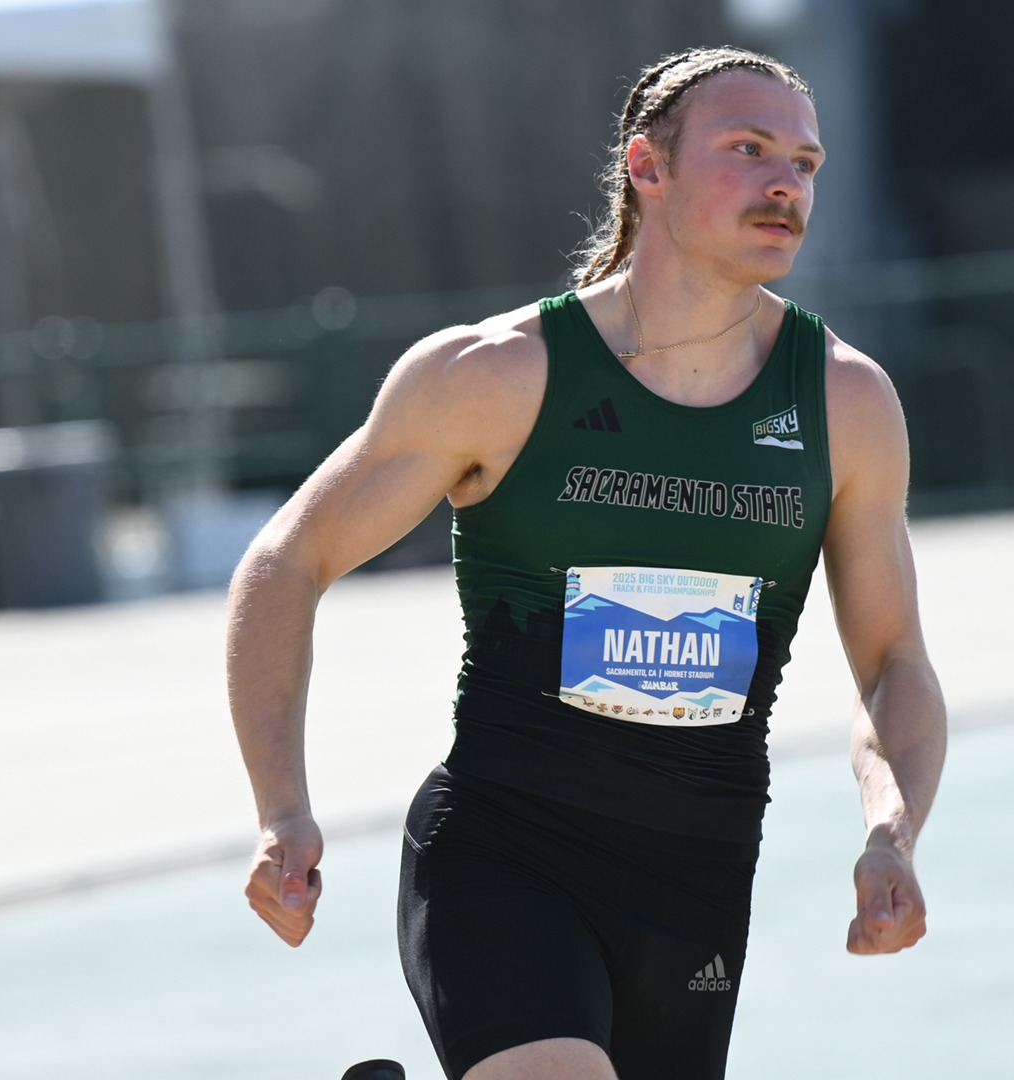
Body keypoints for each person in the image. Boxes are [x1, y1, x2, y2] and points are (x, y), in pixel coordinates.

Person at [229, 47, 945, 1080]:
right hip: (506, 856)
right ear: (647, 167)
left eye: (804, 162)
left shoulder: (846, 402)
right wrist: (282, 809)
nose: (785, 182)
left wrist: (891, 831)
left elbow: (894, 661)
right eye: (748, 149)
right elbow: (286, 562)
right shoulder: (498, 375)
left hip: (696, 885)